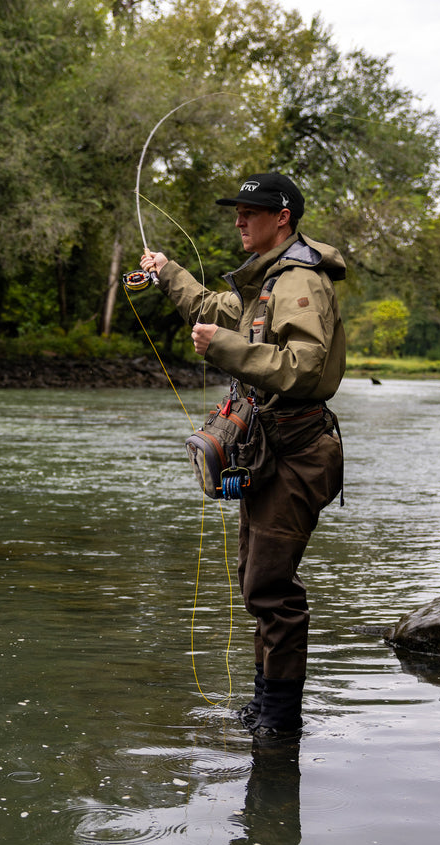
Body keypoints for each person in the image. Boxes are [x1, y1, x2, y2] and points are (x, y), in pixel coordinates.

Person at [140, 172, 345, 740]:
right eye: (237, 211)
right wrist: (165, 272)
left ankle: (279, 726)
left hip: (298, 456)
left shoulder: (301, 282)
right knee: (256, 581)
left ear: (282, 217)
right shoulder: (266, 281)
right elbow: (210, 304)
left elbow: (304, 367)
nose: (238, 220)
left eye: (249, 211)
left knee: (270, 591)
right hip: (269, 457)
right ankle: (264, 709)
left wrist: (225, 348)